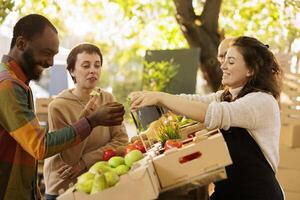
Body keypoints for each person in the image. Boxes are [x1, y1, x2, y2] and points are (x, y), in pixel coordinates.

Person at [130, 36, 284, 200]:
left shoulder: (261, 101)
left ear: (250, 70)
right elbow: (193, 101)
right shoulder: (227, 96)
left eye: (231, 62)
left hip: (257, 194)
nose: (223, 66)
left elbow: (212, 113)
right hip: (230, 191)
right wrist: (154, 97)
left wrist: (162, 97)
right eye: (223, 60)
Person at [0, 14, 124, 200]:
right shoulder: (8, 86)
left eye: (97, 65)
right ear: (21, 44)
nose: (50, 63)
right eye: (46, 53)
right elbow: (40, 146)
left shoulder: (19, 84)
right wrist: (91, 121)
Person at [43, 43, 128, 199]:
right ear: (72, 71)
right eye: (85, 65)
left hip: (100, 177)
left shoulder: (107, 98)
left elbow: (121, 140)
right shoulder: (58, 106)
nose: (92, 70)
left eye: (97, 65)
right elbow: (69, 159)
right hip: (63, 187)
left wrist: (85, 162)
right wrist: (86, 119)